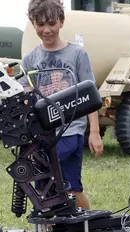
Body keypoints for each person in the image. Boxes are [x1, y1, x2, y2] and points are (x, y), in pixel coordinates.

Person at [20, 0, 103, 210]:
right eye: (40, 25)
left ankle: (87, 223)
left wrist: (94, 132)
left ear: (61, 22)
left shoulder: (77, 55)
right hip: (43, 133)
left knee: (71, 188)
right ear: (33, 24)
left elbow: (91, 96)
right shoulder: (30, 59)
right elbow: (25, 95)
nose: (46, 30)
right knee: (43, 189)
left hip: (70, 130)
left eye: (51, 23)